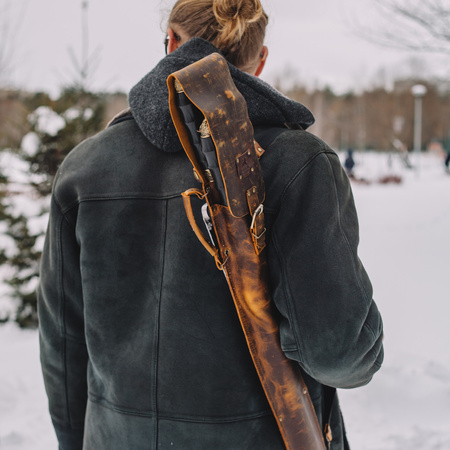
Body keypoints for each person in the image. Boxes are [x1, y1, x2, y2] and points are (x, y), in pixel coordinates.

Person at [38, 0, 384, 449]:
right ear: (259, 62)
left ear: (171, 43)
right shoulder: (298, 163)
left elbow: (62, 347)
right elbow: (339, 352)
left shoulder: (85, 167)